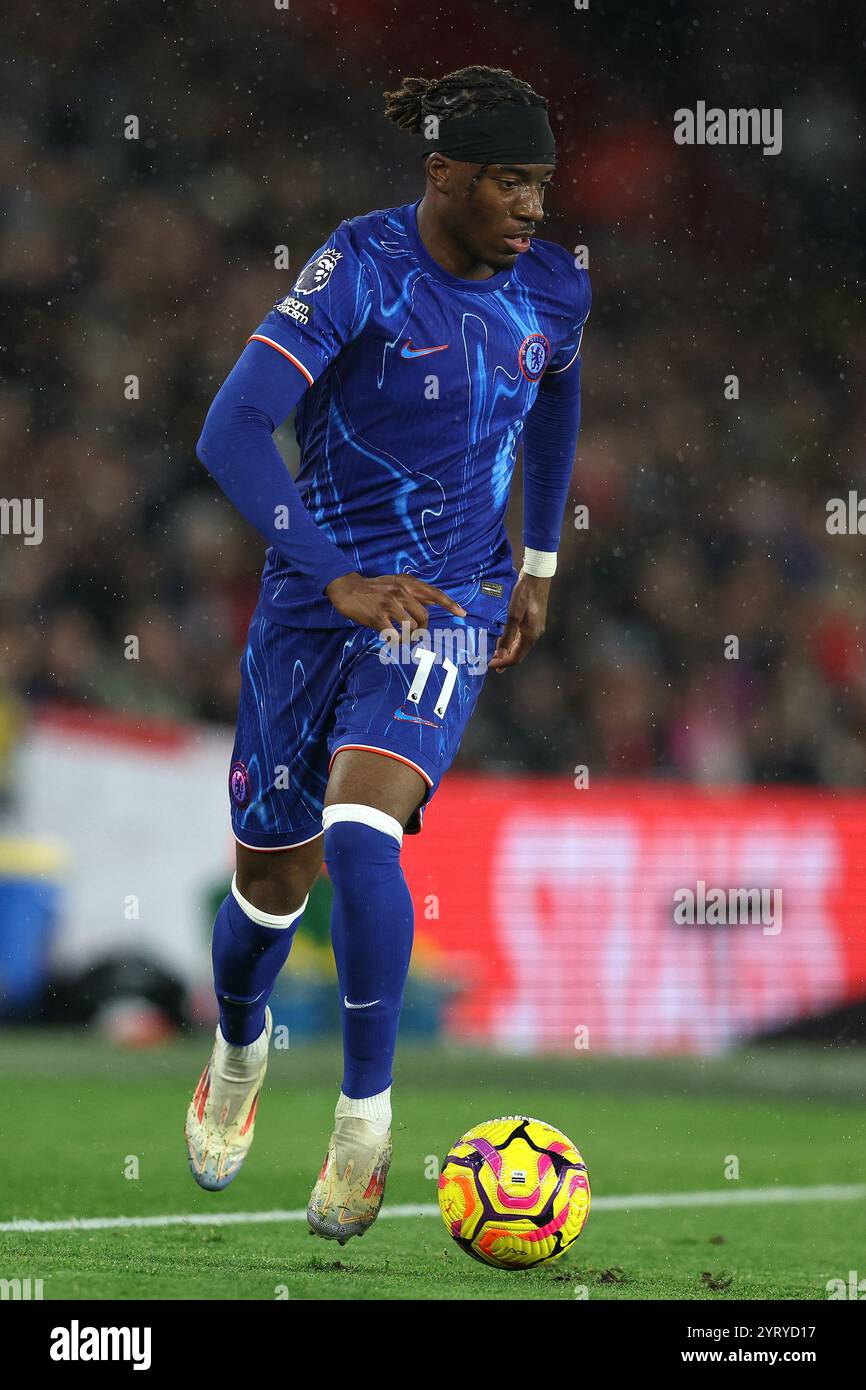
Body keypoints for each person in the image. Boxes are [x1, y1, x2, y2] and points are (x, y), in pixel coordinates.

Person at [186, 64, 590, 1243]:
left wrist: (538, 560)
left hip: (445, 605)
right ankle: (239, 1044)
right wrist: (332, 573)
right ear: (441, 174)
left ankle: (364, 1124)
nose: (529, 208)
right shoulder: (359, 267)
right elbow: (232, 426)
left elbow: (557, 393)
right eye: (507, 183)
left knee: (363, 827)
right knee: (271, 879)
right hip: (319, 599)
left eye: (541, 186)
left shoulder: (555, 287)